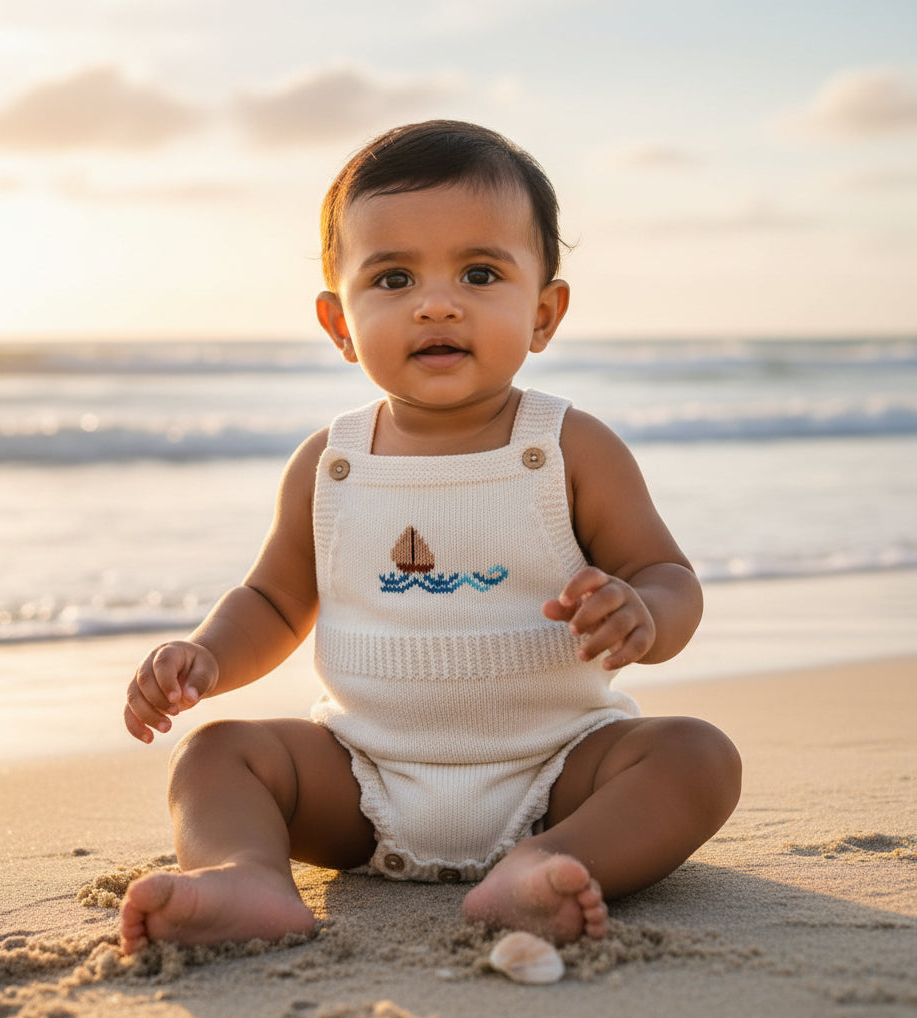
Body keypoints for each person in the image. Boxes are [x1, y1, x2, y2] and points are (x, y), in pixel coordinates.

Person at [119, 120, 742, 955]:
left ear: (545, 312)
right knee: (217, 755)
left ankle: (547, 865)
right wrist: (205, 657)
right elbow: (272, 599)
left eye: (480, 273)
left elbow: (664, 571)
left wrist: (645, 611)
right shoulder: (329, 464)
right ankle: (246, 878)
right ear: (339, 324)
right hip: (365, 778)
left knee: (697, 757)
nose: (437, 302)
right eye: (394, 277)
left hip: (558, 770)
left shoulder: (568, 447)